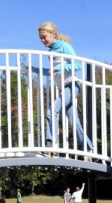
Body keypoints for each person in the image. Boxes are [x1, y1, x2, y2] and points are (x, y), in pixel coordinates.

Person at [34, 22, 94, 152]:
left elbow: (77, 64)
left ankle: (51, 145)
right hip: (63, 87)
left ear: (53, 34)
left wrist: (59, 67)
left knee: (52, 111)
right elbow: (51, 72)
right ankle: (89, 148)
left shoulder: (64, 46)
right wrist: (34, 69)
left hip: (72, 84)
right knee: (73, 120)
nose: (42, 41)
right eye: (40, 38)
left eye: (44, 37)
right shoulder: (51, 51)